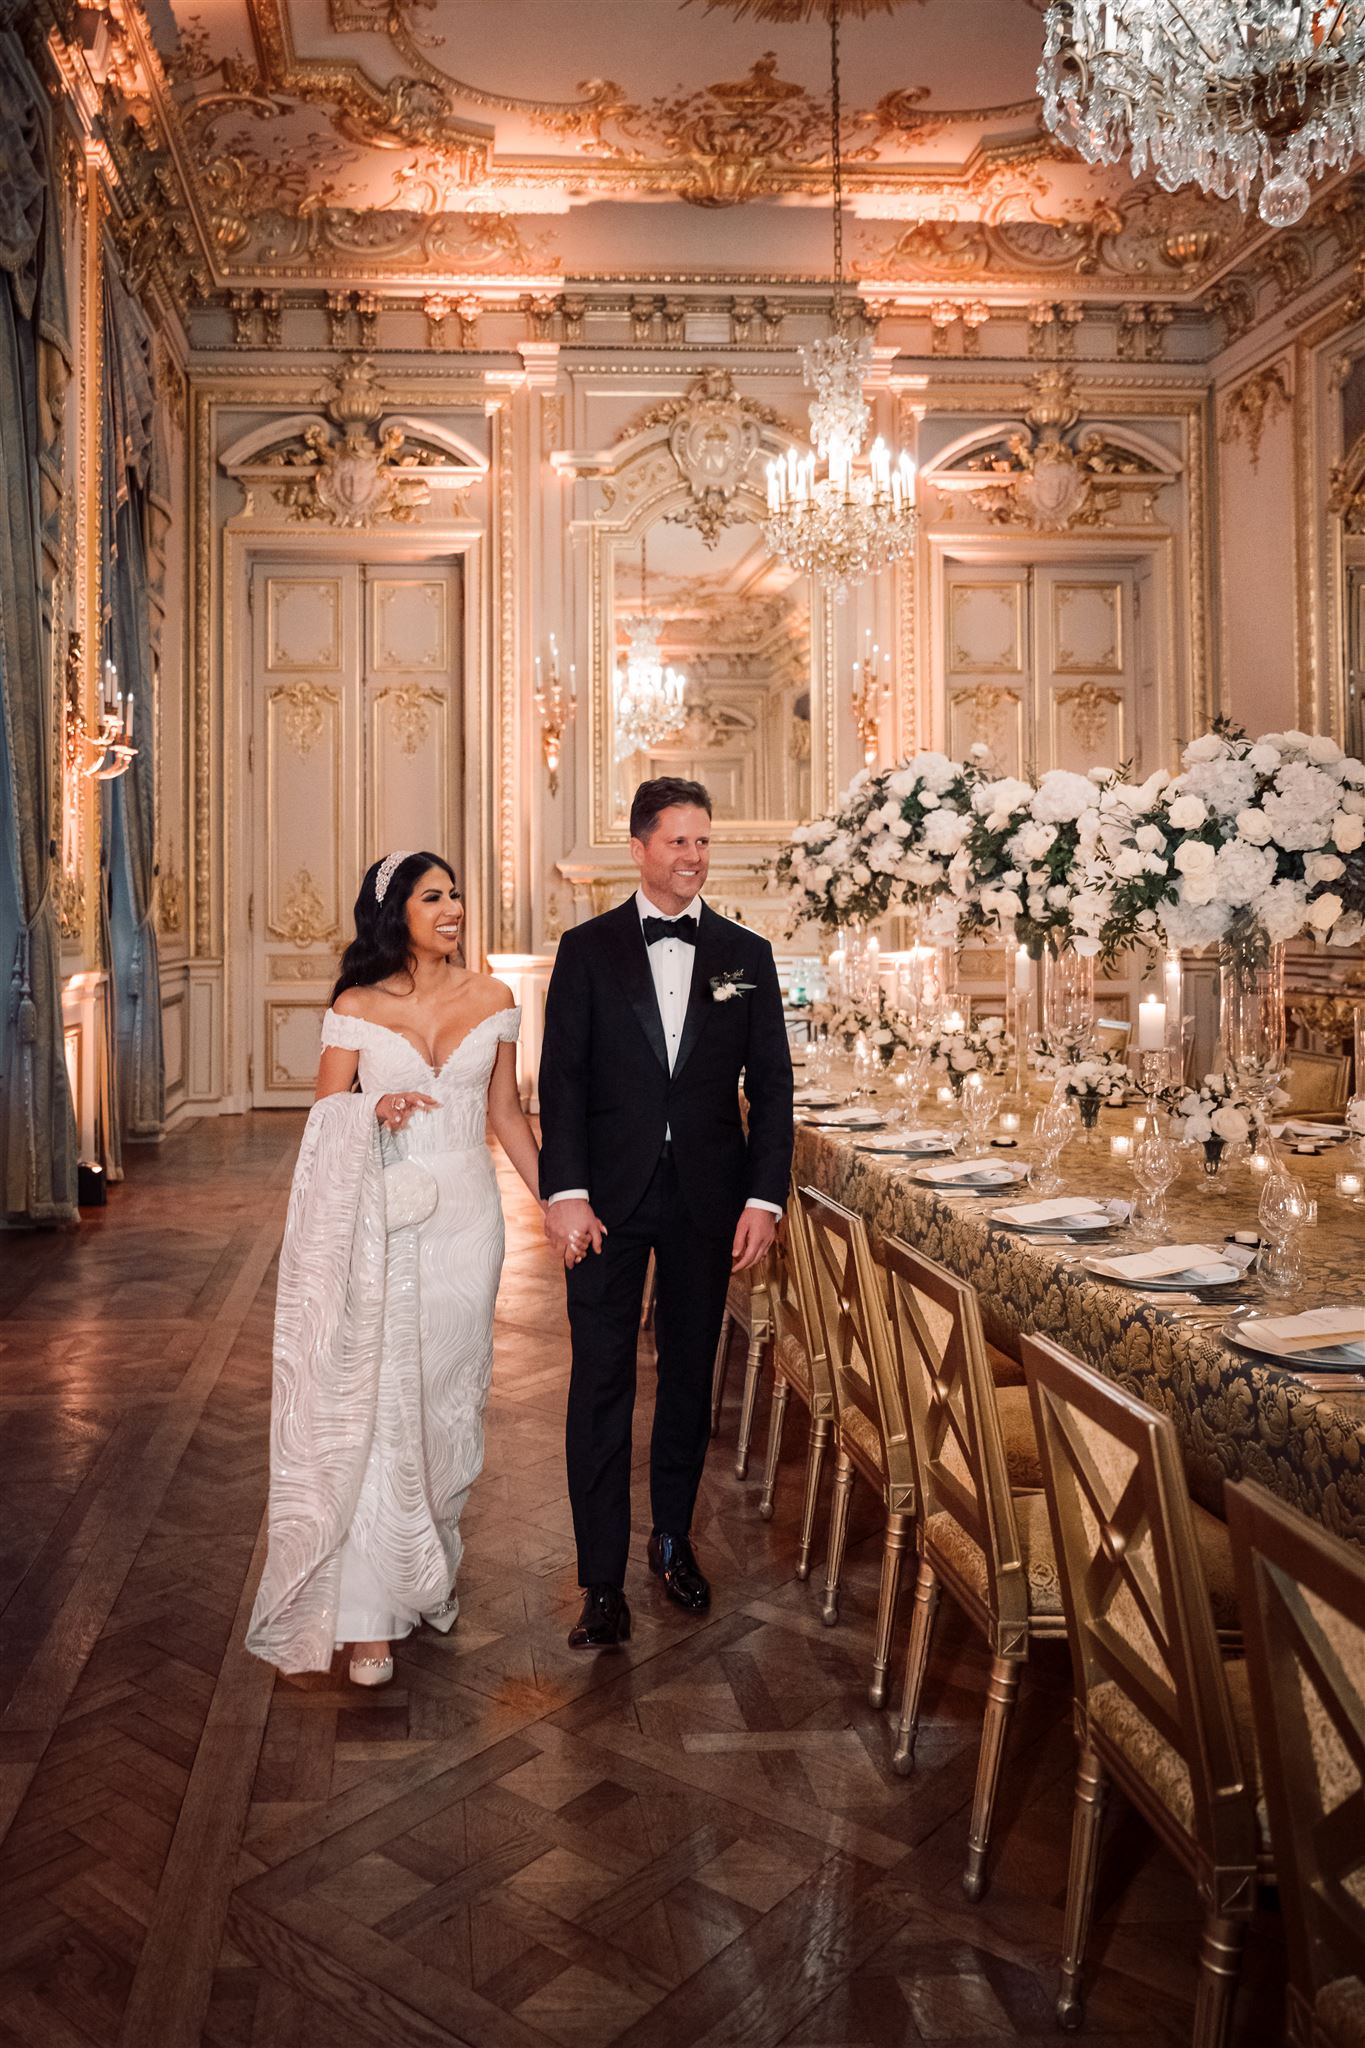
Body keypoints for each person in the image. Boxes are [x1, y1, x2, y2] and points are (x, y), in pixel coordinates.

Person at [246, 851, 541, 1686]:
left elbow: (507, 1114)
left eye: (455, 895)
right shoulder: (357, 1006)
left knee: (451, 1399)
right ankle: (370, 1616)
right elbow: (322, 1120)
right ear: (395, 913)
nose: (452, 909)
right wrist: (369, 1109)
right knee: (384, 1399)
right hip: (382, 1217)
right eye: (432, 896)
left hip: (469, 1220)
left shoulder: (495, 998)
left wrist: (559, 1203)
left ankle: (426, 1567)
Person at [539, 777, 794, 1650]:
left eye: (702, 842)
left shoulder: (741, 954)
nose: (693, 857)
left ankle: (674, 1541)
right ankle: (600, 1582)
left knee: (689, 1380)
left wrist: (762, 1197)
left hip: (708, 1203)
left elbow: (772, 1088)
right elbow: (561, 1083)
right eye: (677, 841)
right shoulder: (586, 949)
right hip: (604, 1202)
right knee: (600, 1384)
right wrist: (564, 1192)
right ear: (639, 846)